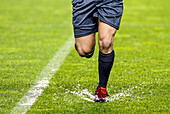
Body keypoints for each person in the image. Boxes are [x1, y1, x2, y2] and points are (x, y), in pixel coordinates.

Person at [72, 0, 124, 102]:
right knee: (84, 51)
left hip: (110, 1)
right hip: (84, 2)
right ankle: (93, 29)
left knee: (106, 43)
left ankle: (102, 88)